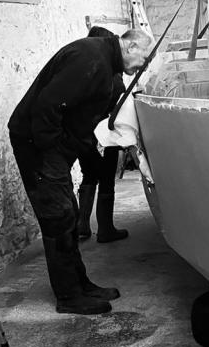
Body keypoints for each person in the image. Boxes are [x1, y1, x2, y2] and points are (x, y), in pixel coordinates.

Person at [8, 28, 153, 315]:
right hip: (36, 145)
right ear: (131, 45)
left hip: (49, 148)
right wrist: (54, 151)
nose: (143, 65)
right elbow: (48, 106)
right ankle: (68, 296)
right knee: (58, 216)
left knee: (69, 213)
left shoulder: (105, 64)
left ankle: (80, 283)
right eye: (144, 57)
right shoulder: (91, 59)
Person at [76, 26, 128, 244]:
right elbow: (121, 106)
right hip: (105, 136)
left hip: (83, 136)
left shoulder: (82, 73)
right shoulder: (112, 76)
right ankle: (105, 229)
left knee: (89, 176)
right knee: (107, 181)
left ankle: (82, 226)